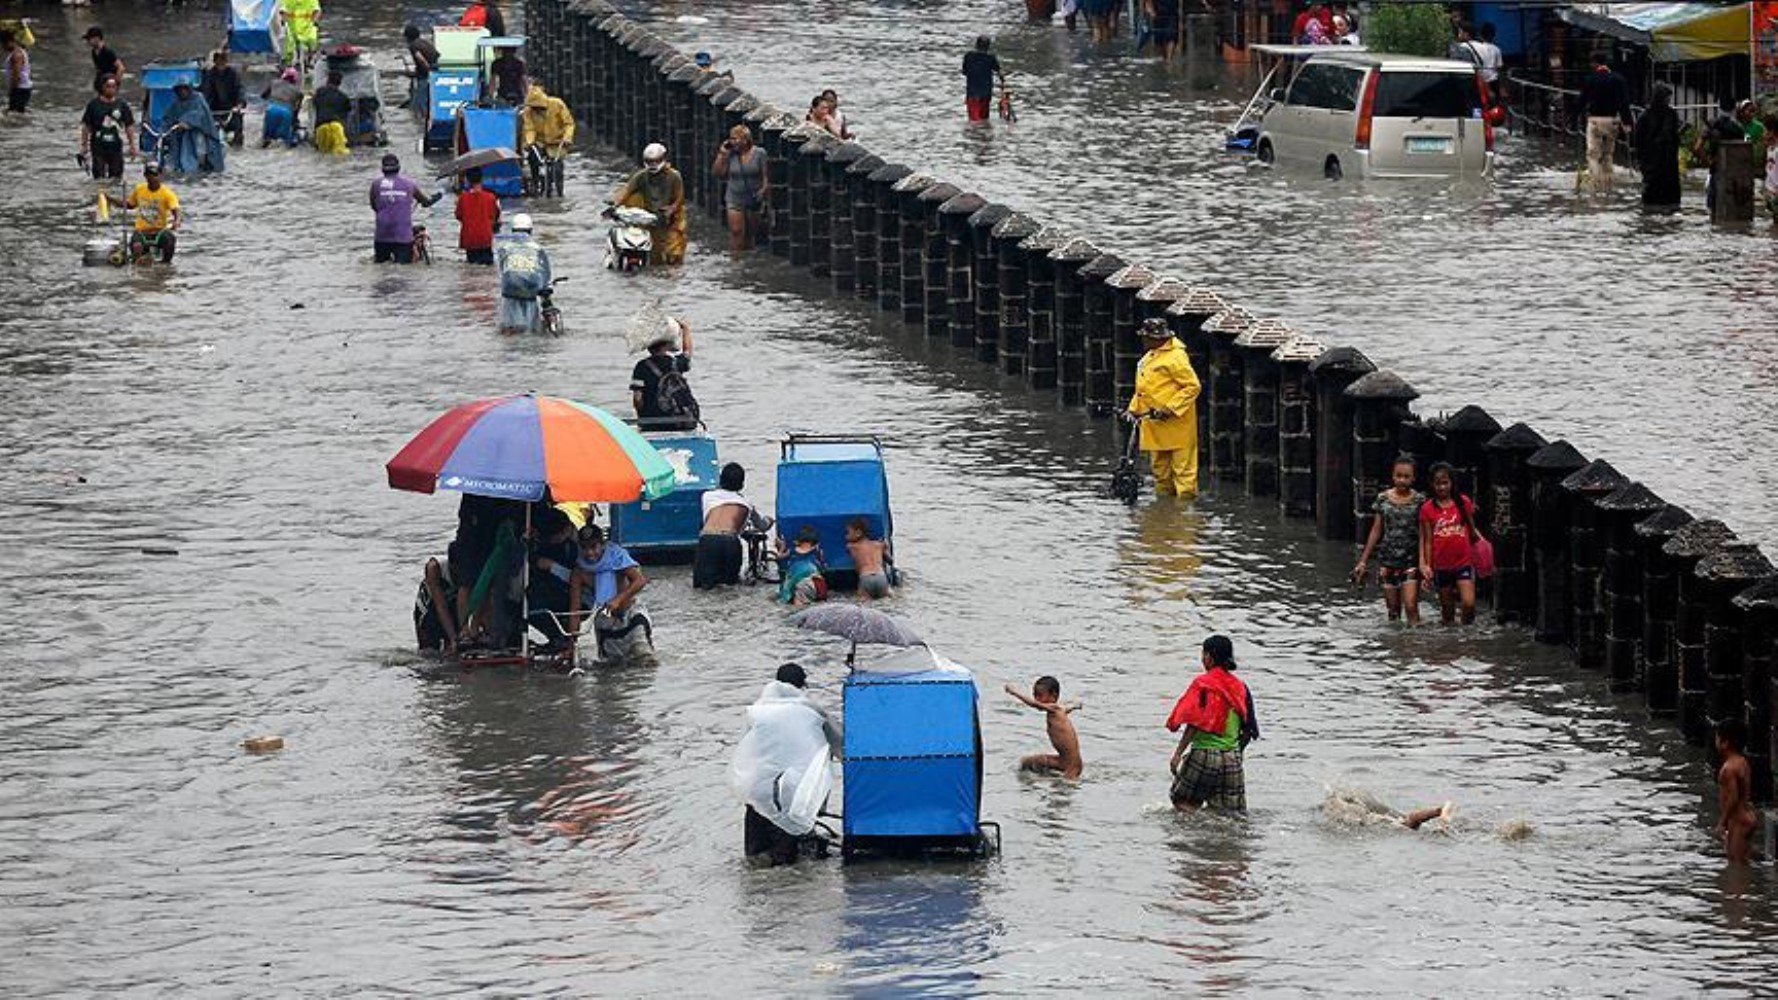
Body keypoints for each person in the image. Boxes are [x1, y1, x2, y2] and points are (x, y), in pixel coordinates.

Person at [733, 662, 842, 865]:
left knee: (755, 861)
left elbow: (750, 749)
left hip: (758, 791)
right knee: (786, 864)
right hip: (792, 792)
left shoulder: (757, 711)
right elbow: (842, 746)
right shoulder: (813, 712)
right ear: (802, 687)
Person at [1167, 635, 1259, 812]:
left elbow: (1195, 722)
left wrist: (1178, 754)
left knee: (1183, 803)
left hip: (1204, 756)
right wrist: (1235, 755)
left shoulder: (1203, 684)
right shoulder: (1241, 688)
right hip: (1232, 758)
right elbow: (1249, 730)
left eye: (1203, 654)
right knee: (1229, 816)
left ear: (1209, 657)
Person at [1125, 318, 1202, 498]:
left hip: (1177, 426)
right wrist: (1133, 410)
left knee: (1184, 472)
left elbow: (1192, 386)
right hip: (1155, 424)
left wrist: (1169, 408)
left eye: (1146, 337)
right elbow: (1144, 389)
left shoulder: (1176, 357)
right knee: (1161, 472)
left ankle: (1184, 513)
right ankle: (1164, 511)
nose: (1143, 341)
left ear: (1157, 338)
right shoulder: (1151, 356)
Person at [1351, 455, 1425, 625]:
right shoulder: (1383, 499)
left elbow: (1424, 533)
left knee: (1411, 608)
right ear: (1392, 476)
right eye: (1398, 476)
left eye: (1406, 477)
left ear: (1413, 478)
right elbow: (1376, 530)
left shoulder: (1420, 501)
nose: (1402, 480)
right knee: (1393, 612)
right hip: (1388, 560)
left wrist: (1424, 561)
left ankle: (1416, 645)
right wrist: (1363, 560)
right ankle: (1396, 646)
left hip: (1410, 560)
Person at [567, 524, 653, 664]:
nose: (589, 553)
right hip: (605, 620)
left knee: (645, 660)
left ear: (602, 545)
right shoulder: (579, 571)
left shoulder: (617, 557)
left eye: (594, 547)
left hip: (631, 616)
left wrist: (618, 599)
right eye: (584, 548)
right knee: (610, 668)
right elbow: (575, 611)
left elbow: (640, 581)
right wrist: (572, 644)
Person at [1418, 461, 1483, 626]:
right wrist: (1427, 565)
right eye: (1437, 483)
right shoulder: (1427, 509)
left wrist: (1482, 550)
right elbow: (1428, 540)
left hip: (1463, 562)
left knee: (1469, 603)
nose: (1441, 487)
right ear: (1432, 485)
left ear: (1451, 483)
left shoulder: (1463, 503)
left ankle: (1465, 633)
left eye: (1445, 483)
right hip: (1441, 565)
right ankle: (1450, 643)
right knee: (1447, 612)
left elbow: (1472, 529)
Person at [611, 143, 687, 265]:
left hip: (672, 220)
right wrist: (614, 207)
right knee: (654, 256)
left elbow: (680, 197)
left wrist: (672, 209)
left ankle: (674, 279)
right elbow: (626, 192)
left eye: (656, 161)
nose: (653, 165)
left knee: (674, 255)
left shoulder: (674, 176)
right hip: (651, 219)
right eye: (649, 161)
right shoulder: (641, 176)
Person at [696, 463, 767, 590]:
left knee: (703, 587)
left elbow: (705, 519)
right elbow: (762, 526)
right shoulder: (746, 503)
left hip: (708, 540)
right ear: (742, 484)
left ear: (720, 479)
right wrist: (770, 520)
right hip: (730, 541)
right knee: (729, 587)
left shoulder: (707, 496)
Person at [524, 505, 580, 654]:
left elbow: (582, 578)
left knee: (534, 604)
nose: (551, 540)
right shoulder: (545, 543)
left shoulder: (576, 548)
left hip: (572, 595)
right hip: (547, 590)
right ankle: (556, 638)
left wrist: (552, 567)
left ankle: (560, 639)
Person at [1005, 677, 1083, 780]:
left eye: (1040, 695)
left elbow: (1034, 704)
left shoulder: (1053, 709)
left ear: (1054, 696)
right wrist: (1075, 706)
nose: (1037, 699)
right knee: (1028, 762)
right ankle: (1040, 780)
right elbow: (1067, 709)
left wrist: (1014, 692)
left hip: (1070, 765)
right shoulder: (1059, 710)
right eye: (1034, 695)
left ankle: (1031, 786)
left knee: (1026, 763)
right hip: (1069, 761)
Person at [370, 153, 441, 264]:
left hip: (382, 235)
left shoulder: (376, 184)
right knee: (403, 271)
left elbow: (375, 207)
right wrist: (434, 198)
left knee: (381, 268)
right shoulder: (409, 184)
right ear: (398, 168)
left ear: (383, 169)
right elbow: (426, 202)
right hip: (402, 236)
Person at [629, 317, 697, 428]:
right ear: (667, 345)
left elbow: (638, 399)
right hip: (681, 421)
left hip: (654, 423)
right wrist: (686, 330)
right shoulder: (676, 362)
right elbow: (687, 353)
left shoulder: (641, 366)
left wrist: (643, 420)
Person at [713, 123, 769, 255]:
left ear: (746, 139)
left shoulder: (760, 153)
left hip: (753, 197)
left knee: (750, 234)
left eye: (736, 138)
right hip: (734, 197)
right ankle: (735, 258)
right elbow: (718, 173)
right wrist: (722, 155)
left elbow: (766, 175)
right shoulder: (730, 154)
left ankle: (747, 259)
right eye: (731, 138)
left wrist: (764, 190)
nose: (733, 142)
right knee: (737, 232)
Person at [494, 213, 554, 333]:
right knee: (531, 329)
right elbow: (545, 272)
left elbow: (501, 269)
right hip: (530, 289)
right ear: (530, 230)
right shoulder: (537, 249)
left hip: (509, 289)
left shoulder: (504, 248)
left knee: (508, 327)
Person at [1578, 61, 1632, 193]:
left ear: (1597, 66)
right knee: (1608, 154)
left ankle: (1595, 184)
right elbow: (1624, 103)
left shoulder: (1589, 79)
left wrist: (1574, 115)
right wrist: (1627, 122)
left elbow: (1581, 101)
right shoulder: (1619, 79)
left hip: (1595, 120)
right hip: (1612, 120)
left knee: (1593, 155)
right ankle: (1607, 185)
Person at [1714, 718, 1758, 865]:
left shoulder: (1728, 768)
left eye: (1718, 737)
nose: (1716, 740)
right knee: (1742, 861)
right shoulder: (1742, 762)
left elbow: (1733, 797)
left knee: (1736, 866)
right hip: (1746, 816)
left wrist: (1722, 822)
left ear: (1725, 743)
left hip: (1738, 820)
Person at [1632, 83, 1682, 210]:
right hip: (1651, 163)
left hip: (1669, 163)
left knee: (1671, 200)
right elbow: (1638, 140)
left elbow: (1675, 136)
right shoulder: (1645, 116)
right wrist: (1640, 161)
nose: (1668, 101)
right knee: (1651, 199)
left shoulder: (1671, 114)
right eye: (1666, 98)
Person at [160, 81, 227, 174]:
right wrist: (163, 130)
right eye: (180, 89)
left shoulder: (198, 99)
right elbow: (168, 117)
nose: (182, 91)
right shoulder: (176, 103)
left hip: (199, 134)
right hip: (179, 134)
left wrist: (187, 122)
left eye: (185, 88)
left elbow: (200, 114)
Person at [80, 75, 138, 182]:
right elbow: (86, 126)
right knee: (98, 177)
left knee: (116, 178)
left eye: (113, 86)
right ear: (102, 87)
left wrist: (132, 145)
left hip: (116, 147)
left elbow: (129, 125)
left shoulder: (122, 105)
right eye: (108, 86)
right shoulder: (94, 105)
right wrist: (84, 146)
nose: (111, 89)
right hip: (98, 147)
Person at [520, 83, 574, 187]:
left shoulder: (557, 104)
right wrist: (530, 142)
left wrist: (567, 138)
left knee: (558, 165)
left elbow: (568, 123)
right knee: (533, 158)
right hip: (540, 142)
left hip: (557, 142)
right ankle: (535, 182)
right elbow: (529, 128)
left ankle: (558, 185)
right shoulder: (528, 111)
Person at [124, 163, 180, 262]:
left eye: (155, 175)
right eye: (149, 175)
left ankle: (166, 266)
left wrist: (176, 221)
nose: (152, 178)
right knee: (136, 246)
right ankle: (137, 267)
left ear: (160, 175)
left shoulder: (167, 193)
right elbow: (130, 205)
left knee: (170, 240)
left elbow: (176, 210)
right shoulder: (139, 189)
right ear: (145, 176)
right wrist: (111, 200)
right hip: (142, 231)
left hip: (159, 231)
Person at [415, 543, 464, 655]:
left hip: (453, 601)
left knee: (456, 645)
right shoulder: (435, 567)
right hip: (429, 605)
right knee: (428, 650)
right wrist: (453, 638)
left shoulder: (473, 566)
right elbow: (440, 606)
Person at [455, 166, 500, 265]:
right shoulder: (491, 197)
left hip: (470, 238)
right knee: (487, 270)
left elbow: (458, 216)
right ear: (482, 178)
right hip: (485, 238)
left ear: (468, 180)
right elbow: (495, 216)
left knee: (472, 269)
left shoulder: (463, 198)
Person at [201, 50, 246, 147]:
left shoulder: (233, 74)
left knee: (237, 128)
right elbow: (206, 92)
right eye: (218, 61)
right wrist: (205, 107)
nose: (221, 63)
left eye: (223, 60)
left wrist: (239, 104)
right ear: (215, 61)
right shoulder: (209, 75)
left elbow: (240, 89)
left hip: (231, 109)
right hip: (214, 110)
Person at [777, 526, 828, 607]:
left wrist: (782, 547)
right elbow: (823, 567)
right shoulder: (816, 551)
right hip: (812, 581)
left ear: (799, 541)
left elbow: (779, 556)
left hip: (794, 579)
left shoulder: (792, 550)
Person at [845, 519, 892, 600]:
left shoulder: (851, 547)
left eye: (848, 533)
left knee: (864, 606)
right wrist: (886, 547)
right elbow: (890, 561)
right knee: (885, 602)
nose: (846, 536)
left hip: (866, 578)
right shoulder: (879, 545)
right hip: (881, 577)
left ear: (858, 533)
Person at [961, 36, 1003, 124]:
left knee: (974, 122)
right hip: (986, 94)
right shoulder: (991, 58)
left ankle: (977, 136)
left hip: (972, 94)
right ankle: (985, 136)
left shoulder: (968, 56)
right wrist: (1003, 85)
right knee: (984, 119)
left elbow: (964, 72)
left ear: (976, 45)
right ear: (988, 47)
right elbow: (1000, 73)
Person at [261, 68, 305, 147]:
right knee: (286, 142)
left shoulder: (273, 83)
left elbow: (263, 96)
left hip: (271, 109)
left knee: (266, 139)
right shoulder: (298, 92)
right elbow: (296, 110)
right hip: (286, 112)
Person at [402, 25, 439, 116]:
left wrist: (427, 69)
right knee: (426, 97)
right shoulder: (424, 42)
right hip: (435, 70)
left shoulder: (413, 45)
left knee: (421, 99)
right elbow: (436, 54)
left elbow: (420, 59)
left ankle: (421, 117)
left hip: (424, 75)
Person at [312, 71, 352, 154]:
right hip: (336, 127)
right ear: (340, 83)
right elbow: (348, 111)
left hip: (321, 126)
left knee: (322, 154)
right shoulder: (343, 96)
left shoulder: (319, 92)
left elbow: (315, 104)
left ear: (327, 80)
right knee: (340, 155)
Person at [278, 0, 322, 67]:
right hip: (292, 27)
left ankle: (310, 58)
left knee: (312, 42)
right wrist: (285, 21)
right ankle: (289, 63)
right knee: (290, 45)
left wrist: (314, 21)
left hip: (307, 26)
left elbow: (316, 10)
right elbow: (282, 11)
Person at [83, 27, 124, 93]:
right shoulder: (94, 51)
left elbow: (121, 67)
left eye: (89, 39)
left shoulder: (107, 51)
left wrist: (116, 83)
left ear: (97, 38)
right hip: (101, 82)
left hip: (109, 83)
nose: (88, 42)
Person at [1472, 24, 1504, 101]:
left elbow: (1477, 69)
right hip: (1494, 82)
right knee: (1495, 106)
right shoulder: (1497, 49)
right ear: (1493, 35)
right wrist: (1501, 87)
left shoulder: (1477, 49)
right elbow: (1499, 69)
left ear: (1480, 35)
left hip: (1481, 81)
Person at [2, 30, 30, 114]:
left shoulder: (16, 55)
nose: (3, 47)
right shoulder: (19, 52)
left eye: (3, 44)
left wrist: (12, 89)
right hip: (22, 88)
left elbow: (17, 74)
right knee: (17, 113)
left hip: (19, 88)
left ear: (11, 42)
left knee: (14, 114)